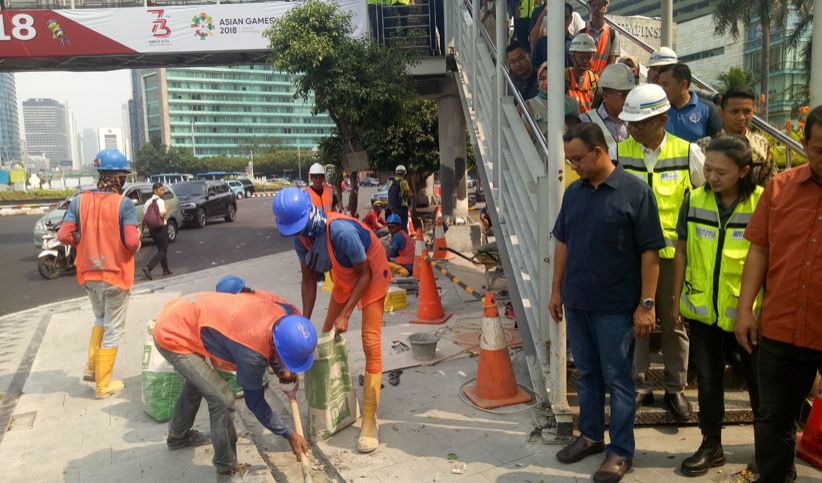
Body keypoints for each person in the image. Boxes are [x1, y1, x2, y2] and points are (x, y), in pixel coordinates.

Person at [550, 123, 664, 483]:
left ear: (599, 152)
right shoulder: (574, 193)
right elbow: (563, 242)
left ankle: (620, 450)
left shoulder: (635, 192)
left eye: (578, 159)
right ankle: (590, 435)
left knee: (618, 380)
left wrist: (647, 304)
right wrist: (556, 290)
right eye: (570, 161)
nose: (574, 167)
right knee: (586, 374)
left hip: (615, 306)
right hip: (578, 302)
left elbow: (650, 253)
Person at [735, 105, 822, 483]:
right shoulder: (780, 188)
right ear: (804, 144)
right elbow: (759, 248)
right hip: (782, 326)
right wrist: (744, 310)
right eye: (821, 149)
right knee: (773, 421)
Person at [273, 187, 391, 453]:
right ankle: (335, 400)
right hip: (344, 275)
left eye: (297, 227)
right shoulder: (299, 236)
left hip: (370, 272)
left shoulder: (339, 231)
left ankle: (370, 420)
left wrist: (347, 314)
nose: (295, 233)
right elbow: (308, 279)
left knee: (370, 342)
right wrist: (304, 320)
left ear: (308, 215)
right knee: (327, 333)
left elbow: (365, 274)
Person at [613, 84, 706, 421]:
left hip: (672, 258)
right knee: (633, 322)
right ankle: (637, 385)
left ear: (663, 119)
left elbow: (703, 198)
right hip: (629, 257)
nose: (634, 129)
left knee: (673, 323)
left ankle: (675, 388)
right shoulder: (619, 152)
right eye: (631, 124)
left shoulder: (688, 153)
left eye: (640, 123)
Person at [671, 136, 763, 477]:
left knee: (758, 384)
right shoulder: (694, 200)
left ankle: (765, 449)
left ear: (743, 171)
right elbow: (681, 250)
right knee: (708, 381)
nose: (712, 177)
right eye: (708, 169)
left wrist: (760, 309)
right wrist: (675, 297)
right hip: (702, 310)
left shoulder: (762, 203)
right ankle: (711, 445)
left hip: (748, 314)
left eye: (721, 172)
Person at [153, 291, 315, 475]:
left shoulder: (284, 313)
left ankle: (177, 436)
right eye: (288, 360)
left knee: (199, 382)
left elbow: (270, 340)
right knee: (222, 399)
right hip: (173, 332)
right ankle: (226, 464)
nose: (289, 365)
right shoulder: (251, 353)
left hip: (189, 310)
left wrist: (280, 370)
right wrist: (289, 434)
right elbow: (255, 403)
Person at [57, 149, 140, 399]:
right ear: (118, 178)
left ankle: (93, 368)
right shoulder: (123, 204)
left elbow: (63, 235)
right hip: (115, 275)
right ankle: (103, 385)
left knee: (100, 319)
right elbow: (133, 243)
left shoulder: (79, 201)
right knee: (114, 328)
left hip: (89, 275)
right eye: (123, 176)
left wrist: (82, 240)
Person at [697, 89, 774, 187]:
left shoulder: (762, 145)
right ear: (722, 113)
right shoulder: (703, 146)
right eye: (735, 112)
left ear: (753, 111)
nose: (741, 117)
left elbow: (769, 183)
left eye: (747, 111)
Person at [657, 63, 722, 142]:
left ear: (683, 84)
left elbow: (720, 145)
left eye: (665, 85)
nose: (661, 90)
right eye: (659, 85)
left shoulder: (708, 109)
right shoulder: (657, 112)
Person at [579, 63, 634, 150]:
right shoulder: (586, 121)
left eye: (630, 93)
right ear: (605, 96)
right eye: (623, 94)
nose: (628, 98)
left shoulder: (636, 121)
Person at [525, 62, 581, 139]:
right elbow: (527, 137)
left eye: (551, 78)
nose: (546, 83)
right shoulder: (529, 105)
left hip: (567, 149)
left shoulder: (572, 102)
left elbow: (578, 132)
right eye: (542, 79)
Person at [529, 2, 576, 70]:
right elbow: (535, 68)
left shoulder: (576, 43)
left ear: (571, 19)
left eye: (565, 17)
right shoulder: (541, 43)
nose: (561, 20)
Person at [141, 182, 172, 280]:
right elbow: (162, 215)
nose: (163, 191)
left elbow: (144, 218)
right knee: (163, 250)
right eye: (161, 189)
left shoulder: (147, 202)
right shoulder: (160, 201)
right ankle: (148, 267)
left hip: (152, 230)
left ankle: (165, 269)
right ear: (155, 190)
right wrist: (167, 209)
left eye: (163, 189)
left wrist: (142, 231)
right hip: (161, 228)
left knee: (161, 249)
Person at [565, 33, 600, 114]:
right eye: (582, 57)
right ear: (572, 57)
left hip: (587, 124)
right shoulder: (564, 77)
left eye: (589, 57)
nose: (586, 61)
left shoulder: (594, 80)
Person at [582, 0, 619, 75]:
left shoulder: (613, 34)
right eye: (594, 5)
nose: (596, 8)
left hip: (602, 80)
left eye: (600, 5)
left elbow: (611, 62)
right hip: (584, 79)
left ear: (606, 8)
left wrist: (595, 77)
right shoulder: (581, 33)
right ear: (589, 8)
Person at [388, 165, 412, 230]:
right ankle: (404, 238)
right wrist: (411, 196)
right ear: (404, 173)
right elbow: (407, 194)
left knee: (396, 224)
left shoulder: (391, 182)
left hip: (394, 207)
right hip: (402, 207)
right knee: (403, 225)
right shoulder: (404, 182)